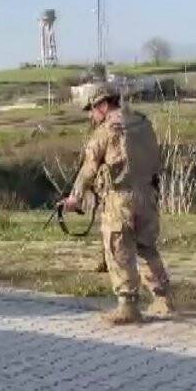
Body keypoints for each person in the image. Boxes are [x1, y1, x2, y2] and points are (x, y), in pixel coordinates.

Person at [59, 84, 174, 325]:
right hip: (149, 195)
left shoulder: (105, 131)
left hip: (120, 199)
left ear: (102, 105)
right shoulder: (143, 123)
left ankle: (127, 306)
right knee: (147, 248)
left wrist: (74, 198)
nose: (91, 115)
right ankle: (163, 298)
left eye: (92, 109)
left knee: (118, 249)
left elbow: (89, 169)